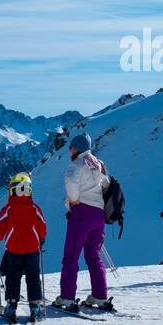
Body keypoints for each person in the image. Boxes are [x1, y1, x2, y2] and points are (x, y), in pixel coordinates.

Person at [55, 133, 113, 310]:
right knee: (93, 255)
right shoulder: (99, 164)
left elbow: (71, 183)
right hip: (98, 214)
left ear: (78, 148)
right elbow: (106, 185)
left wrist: (72, 200)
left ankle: (67, 297)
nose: (69, 150)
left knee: (71, 255)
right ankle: (100, 296)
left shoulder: (77, 164)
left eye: (71, 147)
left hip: (82, 212)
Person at [0, 173, 48, 324]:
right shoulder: (35, 208)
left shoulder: (8, 208)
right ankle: (35, 307)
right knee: (33, 277)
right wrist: (41, 239)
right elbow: (42, 226)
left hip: (13, 251)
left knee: (13, 278)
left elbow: (0, 227)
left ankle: (11, 307)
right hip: (32, 250)